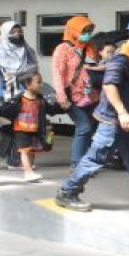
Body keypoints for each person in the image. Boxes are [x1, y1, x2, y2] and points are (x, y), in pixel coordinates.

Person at [56, 13, 129, 213]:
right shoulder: (123, 57)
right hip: (113, 120)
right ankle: (67, 192)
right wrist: (122, 112)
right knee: (96, 158)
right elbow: (110, 85)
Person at [0, 20, 38, 168]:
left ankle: (14, 160)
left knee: (19, 129)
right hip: (3, 97)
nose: (17, 34)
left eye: (19, 32)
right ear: (5, 34)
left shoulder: (29, 52)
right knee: (3, 128)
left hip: (24, 96)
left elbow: (35, 74)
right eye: (13, 32)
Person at [51, 15, 98, 169]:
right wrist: (61, 97)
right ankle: (77, 164)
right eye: (84, 31)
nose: (88, 34)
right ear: (73, 31)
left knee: (90, 128)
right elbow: (57, 74)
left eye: (90, 30)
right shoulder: (62, 49)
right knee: (84, 127)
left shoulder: (89, 47)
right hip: (72, 97)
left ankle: (87, 161)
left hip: (90, 96)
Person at [11, 71, 49, 182]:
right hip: (21, 128)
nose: (41, 85)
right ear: (28, 85)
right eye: (38, 82)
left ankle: (30, 169)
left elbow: (47, 109)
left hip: (35, 128)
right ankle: (28, 172)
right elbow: (9, 110)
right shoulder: (19, 99)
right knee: (24, 151)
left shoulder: (39, 98)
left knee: (32, 150)